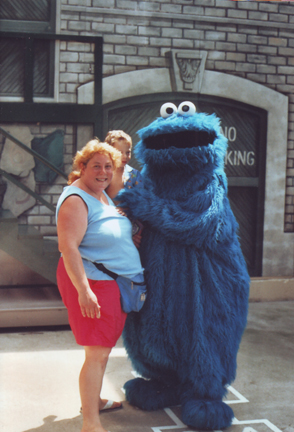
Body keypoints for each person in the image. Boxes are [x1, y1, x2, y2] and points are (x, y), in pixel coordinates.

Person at [56, 139, 144, 432]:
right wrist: (84, 291)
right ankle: (90, 423)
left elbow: (101, 231)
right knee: (97, 352)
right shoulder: (75, 199)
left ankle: (94, 401)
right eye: (96, 166)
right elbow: (69, 247)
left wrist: (126, 238)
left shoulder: (100, 194)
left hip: (109, 281)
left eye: (109, 166)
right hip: (94, 281)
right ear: (82, 167)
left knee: (101, 349)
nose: (104, 172)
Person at [105, 130, 144, 244]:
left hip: (130, 226)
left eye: (128, 152)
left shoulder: (134, 175)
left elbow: (141, 202)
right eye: (119, 152)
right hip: (106, 224)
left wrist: (126, 209)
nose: (124, 156)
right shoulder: (103, 174)